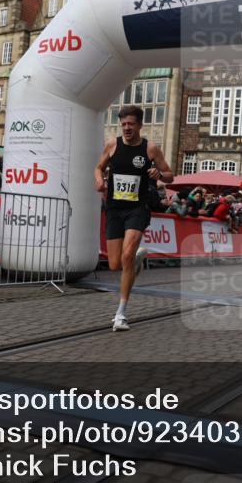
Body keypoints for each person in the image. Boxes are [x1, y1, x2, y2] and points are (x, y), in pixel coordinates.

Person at [94, 104, 174, 332]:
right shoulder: (113, 145)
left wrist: (159, 174)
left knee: (126, 256)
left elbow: (170, 176)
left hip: (137, 208)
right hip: (114, 209)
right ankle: (136, 260)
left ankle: (121, 313)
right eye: (124, 124)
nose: (127, 128)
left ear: (140, 125)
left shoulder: (150, 149)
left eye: (131, 124)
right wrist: (99, 179)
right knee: (114, 264)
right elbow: (98, 168)